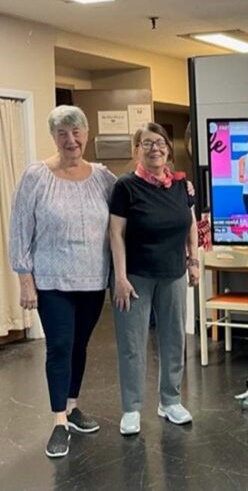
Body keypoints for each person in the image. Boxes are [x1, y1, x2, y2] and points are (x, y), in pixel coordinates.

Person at [9, 105, 116, 458]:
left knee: (79, 345)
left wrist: (176, 186)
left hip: (92, 280)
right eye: (62, 133)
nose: (71, 140)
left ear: (86, 134)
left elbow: (130, 204)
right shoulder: (36, 176)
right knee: (59, 346)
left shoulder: (103, 177)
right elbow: (20, 228)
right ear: (54, 137)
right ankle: (58, 422)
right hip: (52, 281)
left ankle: (72, 407)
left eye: (76, 132)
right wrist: (25, 279)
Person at [109, 122, 199, 436]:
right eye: (147, 143)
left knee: (174, 340)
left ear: (168, 149)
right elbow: (116, 233)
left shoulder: (181, 185)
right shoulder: (125, 186)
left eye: (160, 143)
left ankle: (170, 401)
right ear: (138, 150)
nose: (154, 149)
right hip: (135, 277)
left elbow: (190, 225)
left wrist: (193, 261)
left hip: (173, 273)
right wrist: (120, 277)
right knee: (132, 343)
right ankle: (131, 408)